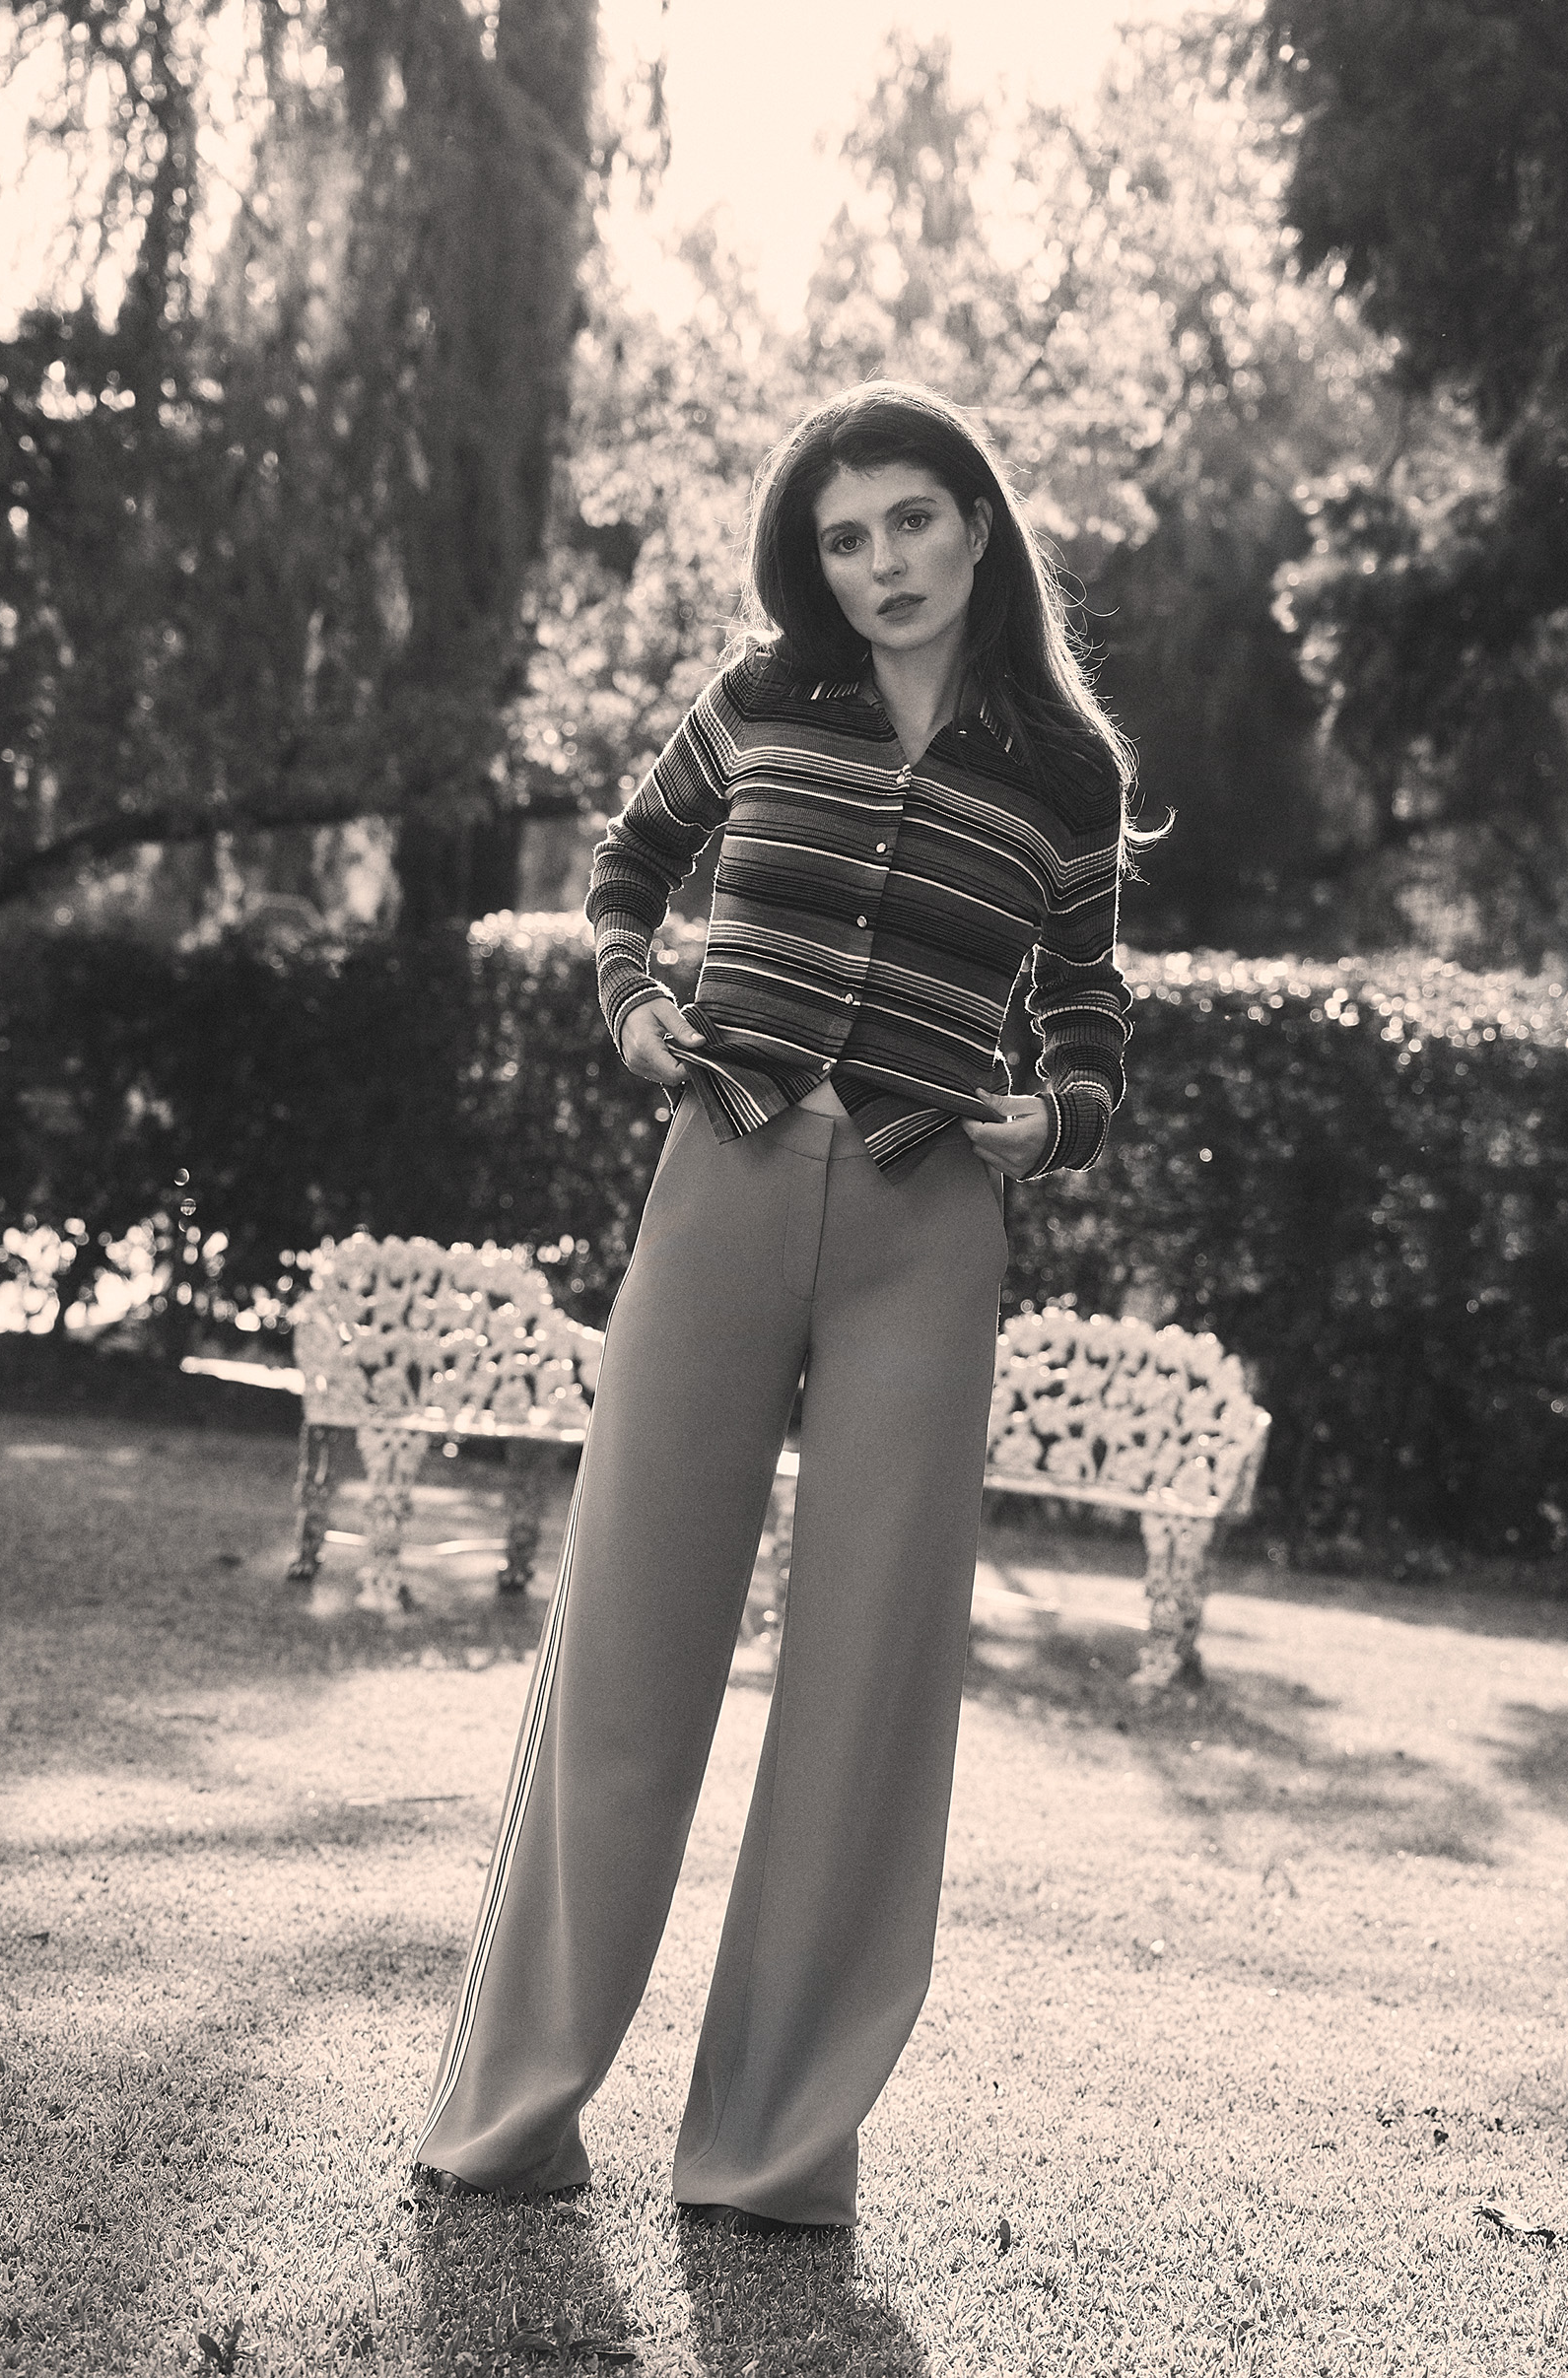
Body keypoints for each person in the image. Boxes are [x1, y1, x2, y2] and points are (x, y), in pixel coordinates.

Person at [411, 379, 1148, 2233]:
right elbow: (624, 875)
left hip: (926, 1222)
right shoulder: (759, 700)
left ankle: (772, 2149)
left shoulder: (1067, 773)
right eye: (843, 537)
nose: (881, 563)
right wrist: (633, 1001)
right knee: (628, 1642)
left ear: (976, 525)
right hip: (724, 1183)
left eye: (911, 521)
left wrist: (1062, 1113)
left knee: (867, 1688)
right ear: (811, 563)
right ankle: (517, 2108)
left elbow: (1086, 998)